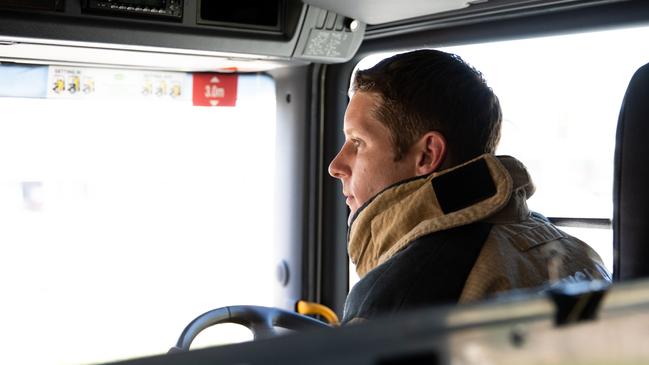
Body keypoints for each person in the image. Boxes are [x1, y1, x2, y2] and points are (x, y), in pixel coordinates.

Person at [328, 49, 611, 324]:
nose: (335, 166)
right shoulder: (575, 252)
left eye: (357, 143)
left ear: (427, 154)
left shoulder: (397, 299)